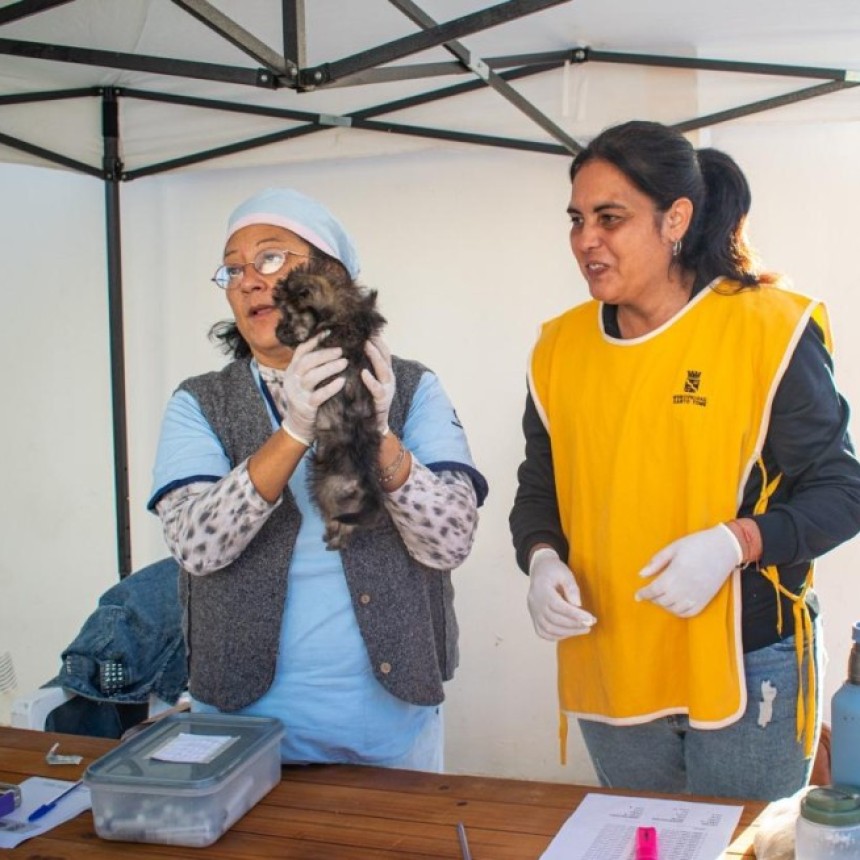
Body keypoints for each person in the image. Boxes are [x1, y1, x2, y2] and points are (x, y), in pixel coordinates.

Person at [509, 120, 860, 800]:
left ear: (676, 219)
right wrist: (542, 556)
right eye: (577, 219)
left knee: (741, 847)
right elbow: (539, 485)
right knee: (646, 844)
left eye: (611, 218)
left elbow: (844, 489)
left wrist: (738, 542)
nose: (587, 240)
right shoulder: (558, 349)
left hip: (747, 657)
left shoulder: (768, 329)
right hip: (612, 660)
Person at [149, 187, 487, 771]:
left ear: (331, 279)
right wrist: (295, 428)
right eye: (233, 268)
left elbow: (450, 540)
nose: (250, 279)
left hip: (388, 724)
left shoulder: (410, 388)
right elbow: (197, 547)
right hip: (239, 732)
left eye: (272, 257)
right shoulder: (199, 401)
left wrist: (378, 432)